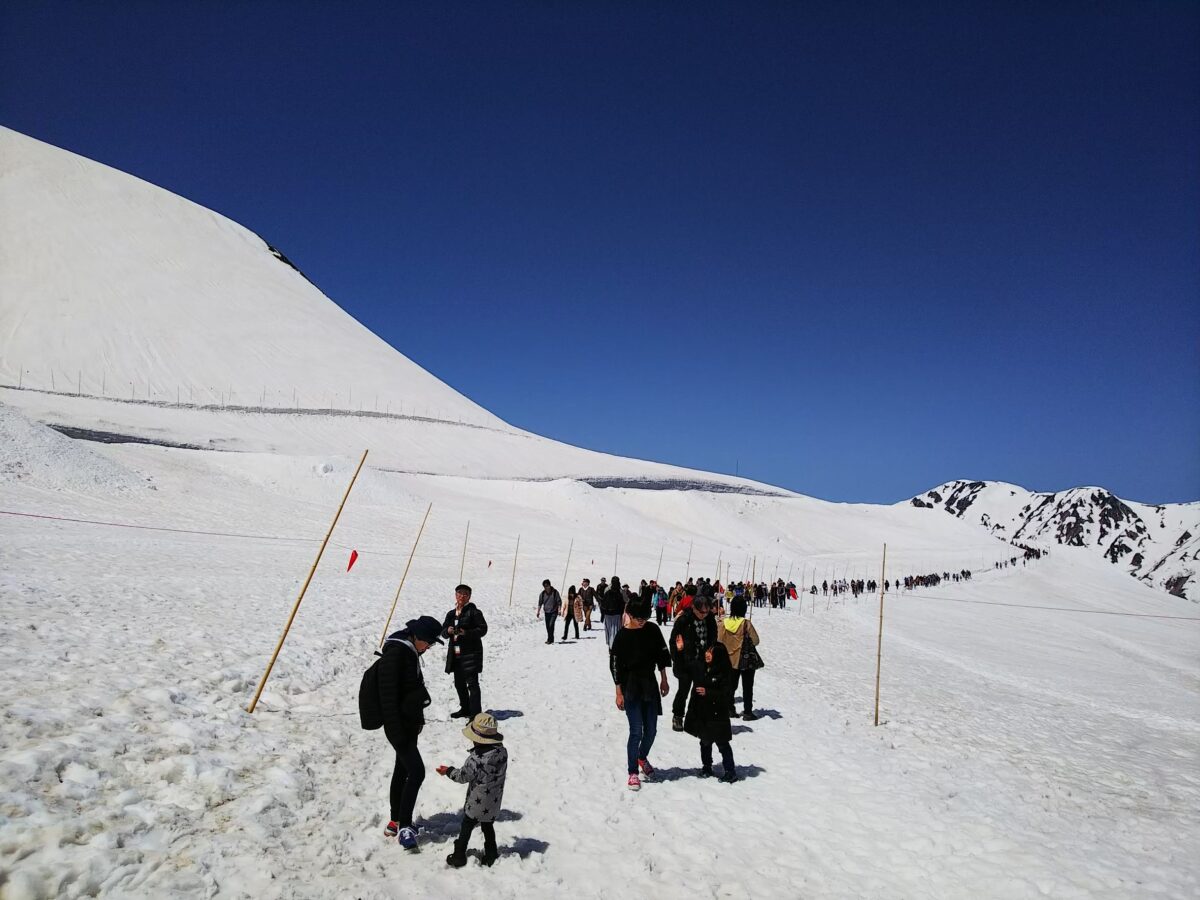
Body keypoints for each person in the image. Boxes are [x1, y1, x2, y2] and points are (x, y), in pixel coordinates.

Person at [378, 616, 443, 850]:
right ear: (417, 637)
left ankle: (395, 821)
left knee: (402, 769)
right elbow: (387, 696)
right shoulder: (397, 653)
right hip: (399, 727)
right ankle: (405, 825)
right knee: (417, 772)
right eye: (429, 643)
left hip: (408, 724)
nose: (429, 647)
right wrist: (397, 732)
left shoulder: (408, 650)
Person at [609, 597, 671, 791]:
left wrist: (664, 678)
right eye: (638, 617)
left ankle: (641, 757)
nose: (642, 621)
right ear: (630, 615)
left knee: (651, 730)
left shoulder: (652, 630)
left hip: (650, 683)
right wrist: (618, 691)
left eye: (645, 617)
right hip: (630, 686)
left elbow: (662, 655)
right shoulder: (622, 636)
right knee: (636, 730)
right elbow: (615, 666)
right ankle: (632, 772)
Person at [437, 712, 508, 868]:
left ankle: (459, 855)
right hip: (494, 802)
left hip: (476, 803)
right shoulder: (502, 752)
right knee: (488, 827)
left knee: (467, 826)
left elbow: (463, 776)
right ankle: (491, 854)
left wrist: (448, 771)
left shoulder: (476, 759)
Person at [684, 642, 739, 782]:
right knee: (705, 742)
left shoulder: (725, 672)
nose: (707, 654)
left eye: (711, 652)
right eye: (707, 651)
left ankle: (730, 771)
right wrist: (680, 650)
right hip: (704, 714)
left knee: (723, 744)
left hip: (718, 715)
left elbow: (726, 694)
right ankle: (707, 766)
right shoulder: (702, 667)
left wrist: (708, 692)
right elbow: (687, 665)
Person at [668, 590, 716, 732]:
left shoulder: (709, 619)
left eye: (706, 612)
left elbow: (714, 636)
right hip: (685, 662)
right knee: (683, 690)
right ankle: (678, 716)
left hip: (702, 662)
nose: (704, 615)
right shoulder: (684, 620)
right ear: (694, 608)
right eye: (701, 612)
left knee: (700, 691)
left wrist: (711, 649)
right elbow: (673, 641)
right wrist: (677, 657)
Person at [442, 584, 488, 720]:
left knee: (473, 685)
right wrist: (448, 631)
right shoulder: (451, 614)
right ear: (456, 595)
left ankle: (475, 715)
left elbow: (483, 629)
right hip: (455, 653)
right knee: (459, 683)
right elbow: (443, 632)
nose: (462, 596)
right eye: (460, 593)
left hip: (470, 653)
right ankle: (465, 708)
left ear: (469, 597)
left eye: (465, 594)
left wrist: (465, 632)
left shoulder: (475, 612)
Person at [717, 596, 763, 720]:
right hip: (745, 659)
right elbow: (756, 641)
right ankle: (747, 712)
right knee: (748, 686)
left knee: (731, 685)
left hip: (728, 659)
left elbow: (719, 640)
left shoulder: (723, 622)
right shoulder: (746, 623)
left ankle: (730, 708)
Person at [599, 576, 626, 648]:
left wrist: (603, 613)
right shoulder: (620, 591)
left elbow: (603, 602)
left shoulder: (607, 590)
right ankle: (614, 645)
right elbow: (625, 601)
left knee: (609, 630)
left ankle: (610, 645)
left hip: (607, 614)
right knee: (616, 630)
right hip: (617, 614)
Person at [537, 579, 562, 644]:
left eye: (547, 586)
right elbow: (540, 603)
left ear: (550, 585)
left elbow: (559, 602)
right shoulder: (542, 594)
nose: (546, 587)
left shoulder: (555, 592)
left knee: (551, 625)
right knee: (548, 626)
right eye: (545, 586)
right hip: (547, 612)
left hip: (554, 611)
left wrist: (559, 610)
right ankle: (551, 638)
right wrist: (538, 611)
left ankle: (549, 639)